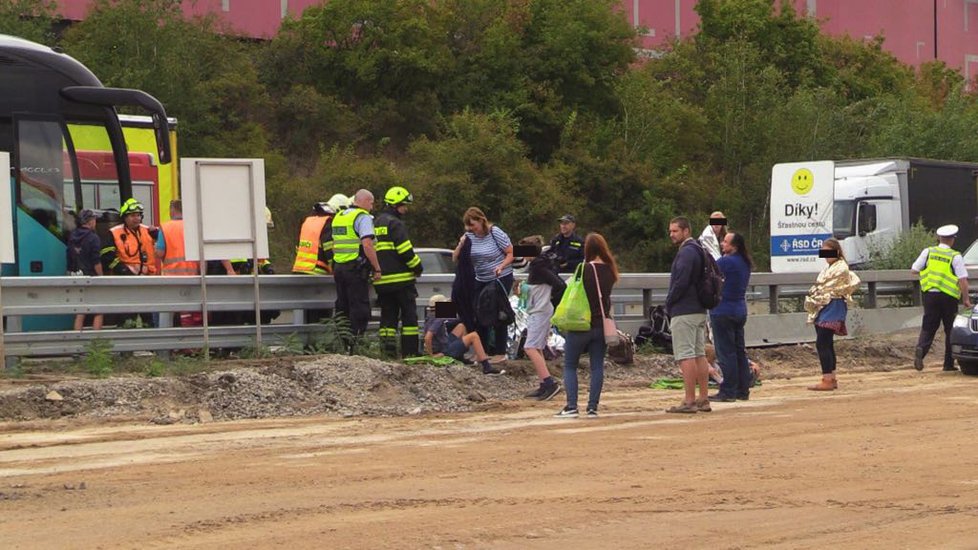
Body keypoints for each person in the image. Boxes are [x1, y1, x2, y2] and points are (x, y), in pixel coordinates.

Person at [554, 233, 618, 418]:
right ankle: (592, 408)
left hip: (580, 324)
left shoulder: (583, 269)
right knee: (597, 366)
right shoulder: (610, 270)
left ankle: (572, 406)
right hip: (601, 326)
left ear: (587, 249)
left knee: (570, 365)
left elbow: (571, 291)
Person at [452, 207, 514, 360]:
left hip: (500, 277)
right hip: (481, 278)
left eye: (473, 225)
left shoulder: (495, 232)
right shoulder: (468, 237)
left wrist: (501, 266)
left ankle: (500, 352)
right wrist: (460, 245)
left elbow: (511, 252)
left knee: (498, 313)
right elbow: (455, 258)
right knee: (479, 314)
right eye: (468, 226)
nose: (471, 228)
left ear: (481, 221)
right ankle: (482, 352)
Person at [664, 216, 711, 414]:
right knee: (700, 354)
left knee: (686, 355)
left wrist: (669, 301)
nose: (672, 235)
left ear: (686, 231)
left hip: (685, 310)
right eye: (670, 231)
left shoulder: (686, 253)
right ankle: (703, 398)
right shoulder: (700, 250)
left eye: (675, 231)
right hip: (699, 309)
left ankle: (689, 400)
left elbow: (680, 282)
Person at [911, 224, 972, 371]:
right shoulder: (955, 256)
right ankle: (948, 364)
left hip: (930, 295)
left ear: (939, 238)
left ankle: (921, 350)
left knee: (928, 326)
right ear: (952, 240)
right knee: (950, 329)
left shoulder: (928, 252)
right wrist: (966, 300)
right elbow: (963, 280)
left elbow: (914, 270)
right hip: (949, 297)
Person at [804, 238, 861, 391]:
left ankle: (827, 378)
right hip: (823, 306)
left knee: (822, 343)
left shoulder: (841, 267)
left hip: (833, 305)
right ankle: (831, 377)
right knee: (827, 343)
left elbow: (827, 287)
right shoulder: (829, 268)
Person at [373, 186, 424, 358]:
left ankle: (387, 354)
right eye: (404, 205)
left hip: (381, 281)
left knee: (388, 319)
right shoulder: (396, 224)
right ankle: (410, 353)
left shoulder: (376, 222)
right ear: (395, 205)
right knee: (409, 318)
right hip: (402, 281)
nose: (406, 209)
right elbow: (405, 251)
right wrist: (418, 267)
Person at [331, 189, 382, 347]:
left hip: (339, 267)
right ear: (365, 201)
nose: (372, 207)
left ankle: (343, 343)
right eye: (371, 203)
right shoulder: (362, 217)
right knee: (359, 307)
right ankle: (356, 344)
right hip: (355, 267)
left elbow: (334, 244)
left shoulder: (339, 216)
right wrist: (377, 268)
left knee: (343, 306)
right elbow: (367, 244)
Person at [709, 232, 753, 401]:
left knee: (725, 352)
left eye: (725, 242)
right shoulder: (745, 263)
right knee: (739, 351)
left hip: (723, 310)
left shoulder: (726, 262)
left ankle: (728, 390)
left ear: (734, 246)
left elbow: (709, 272)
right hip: (739, 310)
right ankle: (743, 389)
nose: (722, 243)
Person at [520, 236, 563, 401]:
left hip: (541, 311)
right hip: (538, 310)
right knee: (536, 347)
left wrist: (549, 300)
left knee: (530, 347)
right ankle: (544, 383)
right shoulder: (538, 265)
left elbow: (560, 285)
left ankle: (549, 383)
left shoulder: (539, 267)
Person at [423, 295, 504, 375]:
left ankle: (460, 357)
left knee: (461, 326)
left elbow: (457, 318)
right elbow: (428, 337)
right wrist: (432, 356)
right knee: (474, 336)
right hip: (443, 350)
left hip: (443, 343)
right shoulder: (439, 317)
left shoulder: (431, 315)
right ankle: (487, 367)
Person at [292, 194, 348, 275]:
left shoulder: (307, 220)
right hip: (317, 271)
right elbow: (328, 248)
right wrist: (337, 269)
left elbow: (298, 247)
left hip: (299, 269)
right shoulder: (328, 222)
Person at [67, 209, 103, 331]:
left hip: (76, 276)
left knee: (80, 310)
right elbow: (96, 261)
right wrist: (102, 277)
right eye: (94, 220)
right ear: (90, 221)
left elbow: (69, 258)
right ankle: (96, 342)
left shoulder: (72, 235)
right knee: (99, 310)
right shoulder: (93, 238)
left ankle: (78, 339)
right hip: (91, 277)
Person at [107, 198, 158, 276]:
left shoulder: (149, 231)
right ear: (125, 217)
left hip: (149, 278)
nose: (137, 218)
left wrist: (157, 235)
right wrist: (124, 270)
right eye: (132, 215)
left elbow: (164, 248)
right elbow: (107, 257)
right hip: (126, 279)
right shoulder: (114, 232)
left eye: (138, 215)